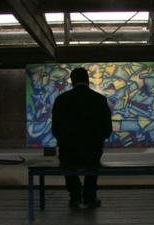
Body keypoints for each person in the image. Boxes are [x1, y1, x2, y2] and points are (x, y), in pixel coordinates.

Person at [51, 67, 112, 208]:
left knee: (67, 163)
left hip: (69, 151)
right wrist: (99, 138)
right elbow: (107, 128)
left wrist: (63, 140)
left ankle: (75, 196)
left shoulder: (61, 99)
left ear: (72, 81)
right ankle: (89, 197)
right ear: (88, 80)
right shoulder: (99, 99)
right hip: (92, 151)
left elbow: (56, 127)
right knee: (93, 164)